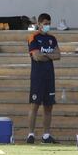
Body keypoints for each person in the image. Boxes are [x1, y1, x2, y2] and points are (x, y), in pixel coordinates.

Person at [26, 13, 61, 144]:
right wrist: (49, 54)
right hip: (37, 77)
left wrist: (45, 54)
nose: (47, 26)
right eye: (45, 24)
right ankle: (30, 134)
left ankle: (46, 135)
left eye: (49, 24)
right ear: (39, 24)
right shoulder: (33, 37)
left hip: (49, 76)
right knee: (34, 106)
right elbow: (36, 56)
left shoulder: (52, 38)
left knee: (48, 107)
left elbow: (58, 55)